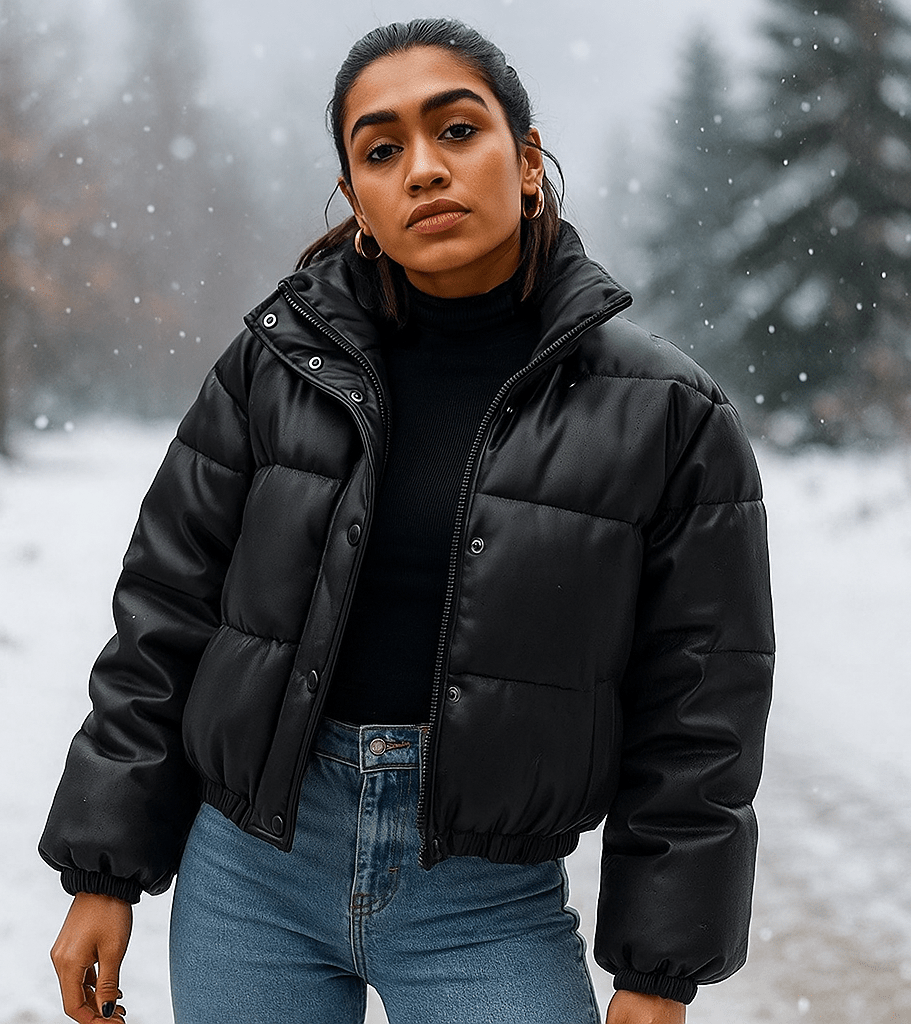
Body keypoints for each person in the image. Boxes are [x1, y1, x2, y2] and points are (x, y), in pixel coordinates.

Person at [41, 17, 774, 1024]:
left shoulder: (666, 414)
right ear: (358, 205)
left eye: (456, 131)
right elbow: (165, 615)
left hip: (484, 900)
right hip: (251, 875)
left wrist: (657, 973)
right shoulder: (273, 371)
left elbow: (702, 709)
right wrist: (104, 868)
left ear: (524, 161)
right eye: (382, 150)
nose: (423, 169)